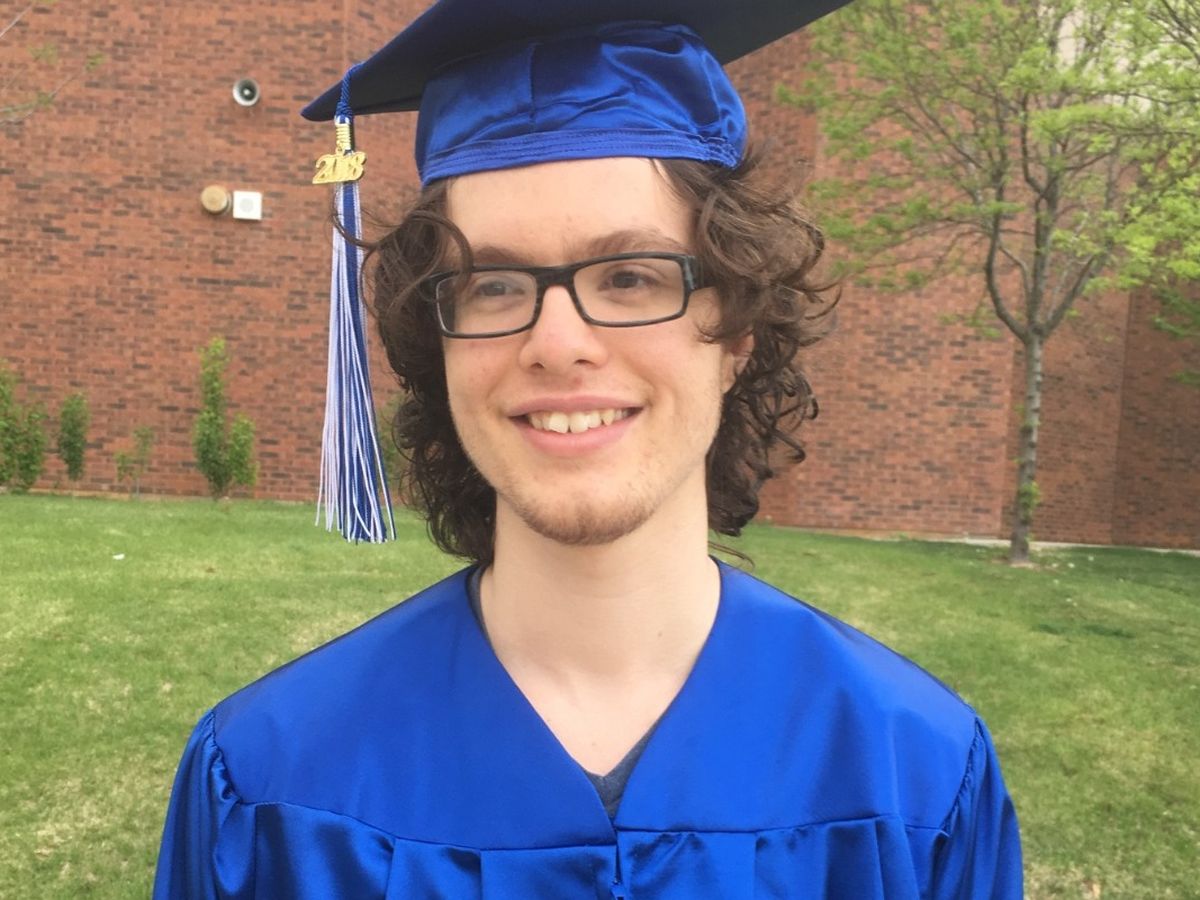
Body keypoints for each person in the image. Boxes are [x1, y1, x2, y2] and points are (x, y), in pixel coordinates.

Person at [153, 1, 1023, 896]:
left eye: (631, 276)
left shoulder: (916, 780)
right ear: (438, 341)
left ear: (737, 332)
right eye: (493, 284)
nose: (558, 343)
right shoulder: (267, 787)